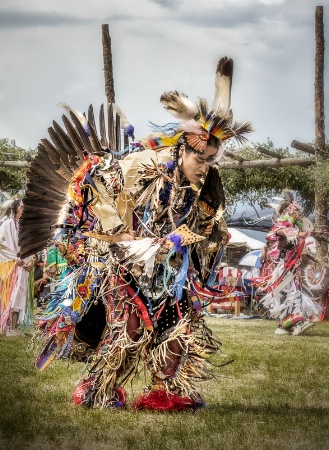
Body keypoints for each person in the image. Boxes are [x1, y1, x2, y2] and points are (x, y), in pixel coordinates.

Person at [25, 58, 252, 410]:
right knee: (130, 328)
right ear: (182, 149)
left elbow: (210, 225)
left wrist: (177, 240)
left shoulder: (210, 182)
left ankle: (165, 393)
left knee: (178, 330)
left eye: (211, 159)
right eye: (200, 158)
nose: (205, 167)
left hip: (173, 270)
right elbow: (103, 185)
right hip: (127, 263)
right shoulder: (146, 164)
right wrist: (122, 237)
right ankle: (98, 388)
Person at [254, 191, 324, 336]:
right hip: (284, 268)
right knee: (290, 294)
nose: (300, 213)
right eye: (297, 210)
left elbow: (301, 241)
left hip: (294, 268)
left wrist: (312, 237)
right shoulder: (282, 225)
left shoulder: (297, 227)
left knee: (293, 294)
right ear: (289, 211)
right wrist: (297, 234)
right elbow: (276, 232)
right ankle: (296, 321)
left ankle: (284, 326)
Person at [0, 199, 34, 335]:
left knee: (19, 297)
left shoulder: (27, 227)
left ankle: (14, 327)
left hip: (24, 268)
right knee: (10, 297)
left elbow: (31, 248)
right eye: (21, 206)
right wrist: (15, 260)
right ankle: (8, 325)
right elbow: (1, 246)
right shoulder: (7, 224)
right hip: (10, 268)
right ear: (15, 208)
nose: (24, 209)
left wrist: (31, 261)